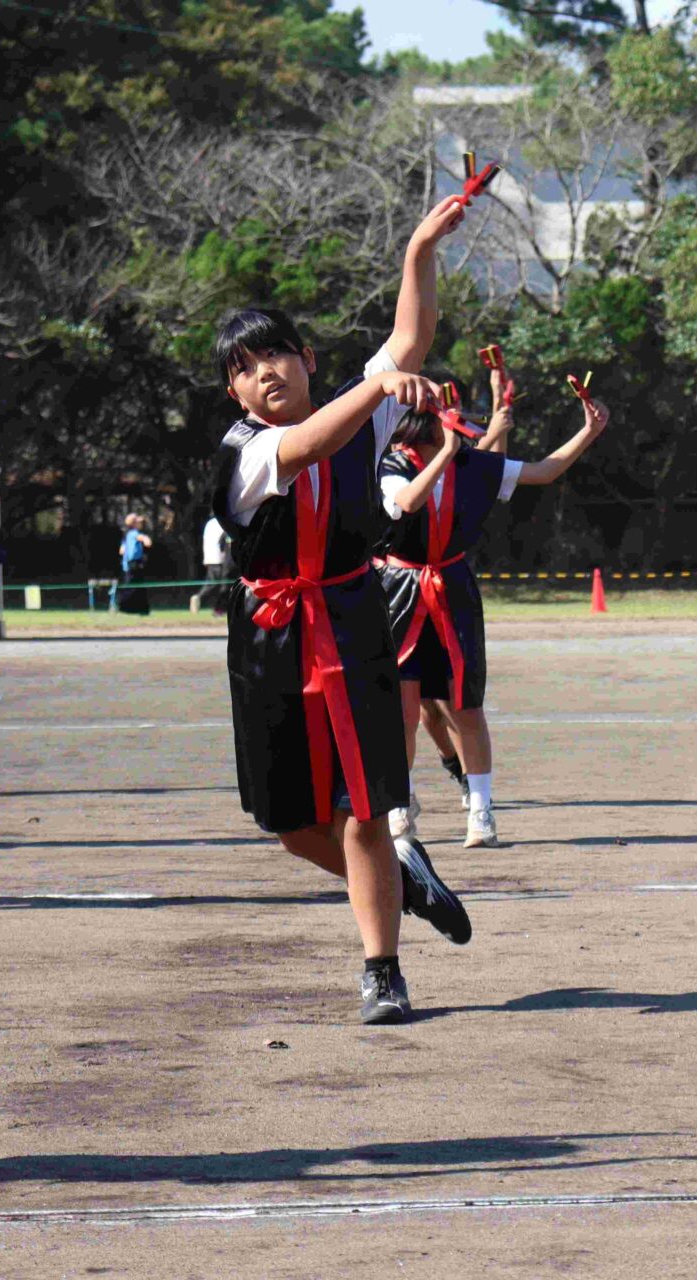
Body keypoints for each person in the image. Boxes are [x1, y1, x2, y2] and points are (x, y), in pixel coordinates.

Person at [210, 193, 474, 1025]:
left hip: (354, 621)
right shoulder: (248, 451)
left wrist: (419, 249)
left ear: (308, 359)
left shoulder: (359, 409)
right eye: (248, 366)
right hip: (272, 640)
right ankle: (410, 881)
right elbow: (310, 443)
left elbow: (411, 338)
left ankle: (381, 970)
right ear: (235, 392)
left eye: (278, 354)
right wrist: (381, 385)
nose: (267, 372)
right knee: (292, 826)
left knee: (364, 808)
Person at [377, 356, 610, 850]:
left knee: (465, 706)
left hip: (452, 588)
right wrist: (446, 452)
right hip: (399, 591)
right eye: (446, 405)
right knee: (402, 710)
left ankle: (481, 810)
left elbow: (544, 471)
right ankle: (399, 804)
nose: (459, 414)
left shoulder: (475, 466)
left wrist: (589, 431)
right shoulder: (392, 463)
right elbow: (405, 504)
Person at [116, 514, 152, 615]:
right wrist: (146, 539)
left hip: (129, 564)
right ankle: (124, 607)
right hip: (134, 564)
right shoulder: (133, 533)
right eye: (138, 522)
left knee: (136, 586)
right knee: (133, 586)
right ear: (134, 524)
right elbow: (144, 539)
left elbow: (121, 551)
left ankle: (140, 609)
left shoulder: (127, 535)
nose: (141, 524)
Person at [198, 513, 231, 613]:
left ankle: (217, 607)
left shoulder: (210, 523)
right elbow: (222, 544)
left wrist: (205, 558)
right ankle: (199, 598)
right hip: (220, 559)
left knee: (215, 583)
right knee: (218, 584)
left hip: (210, 558)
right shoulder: (223, 523)